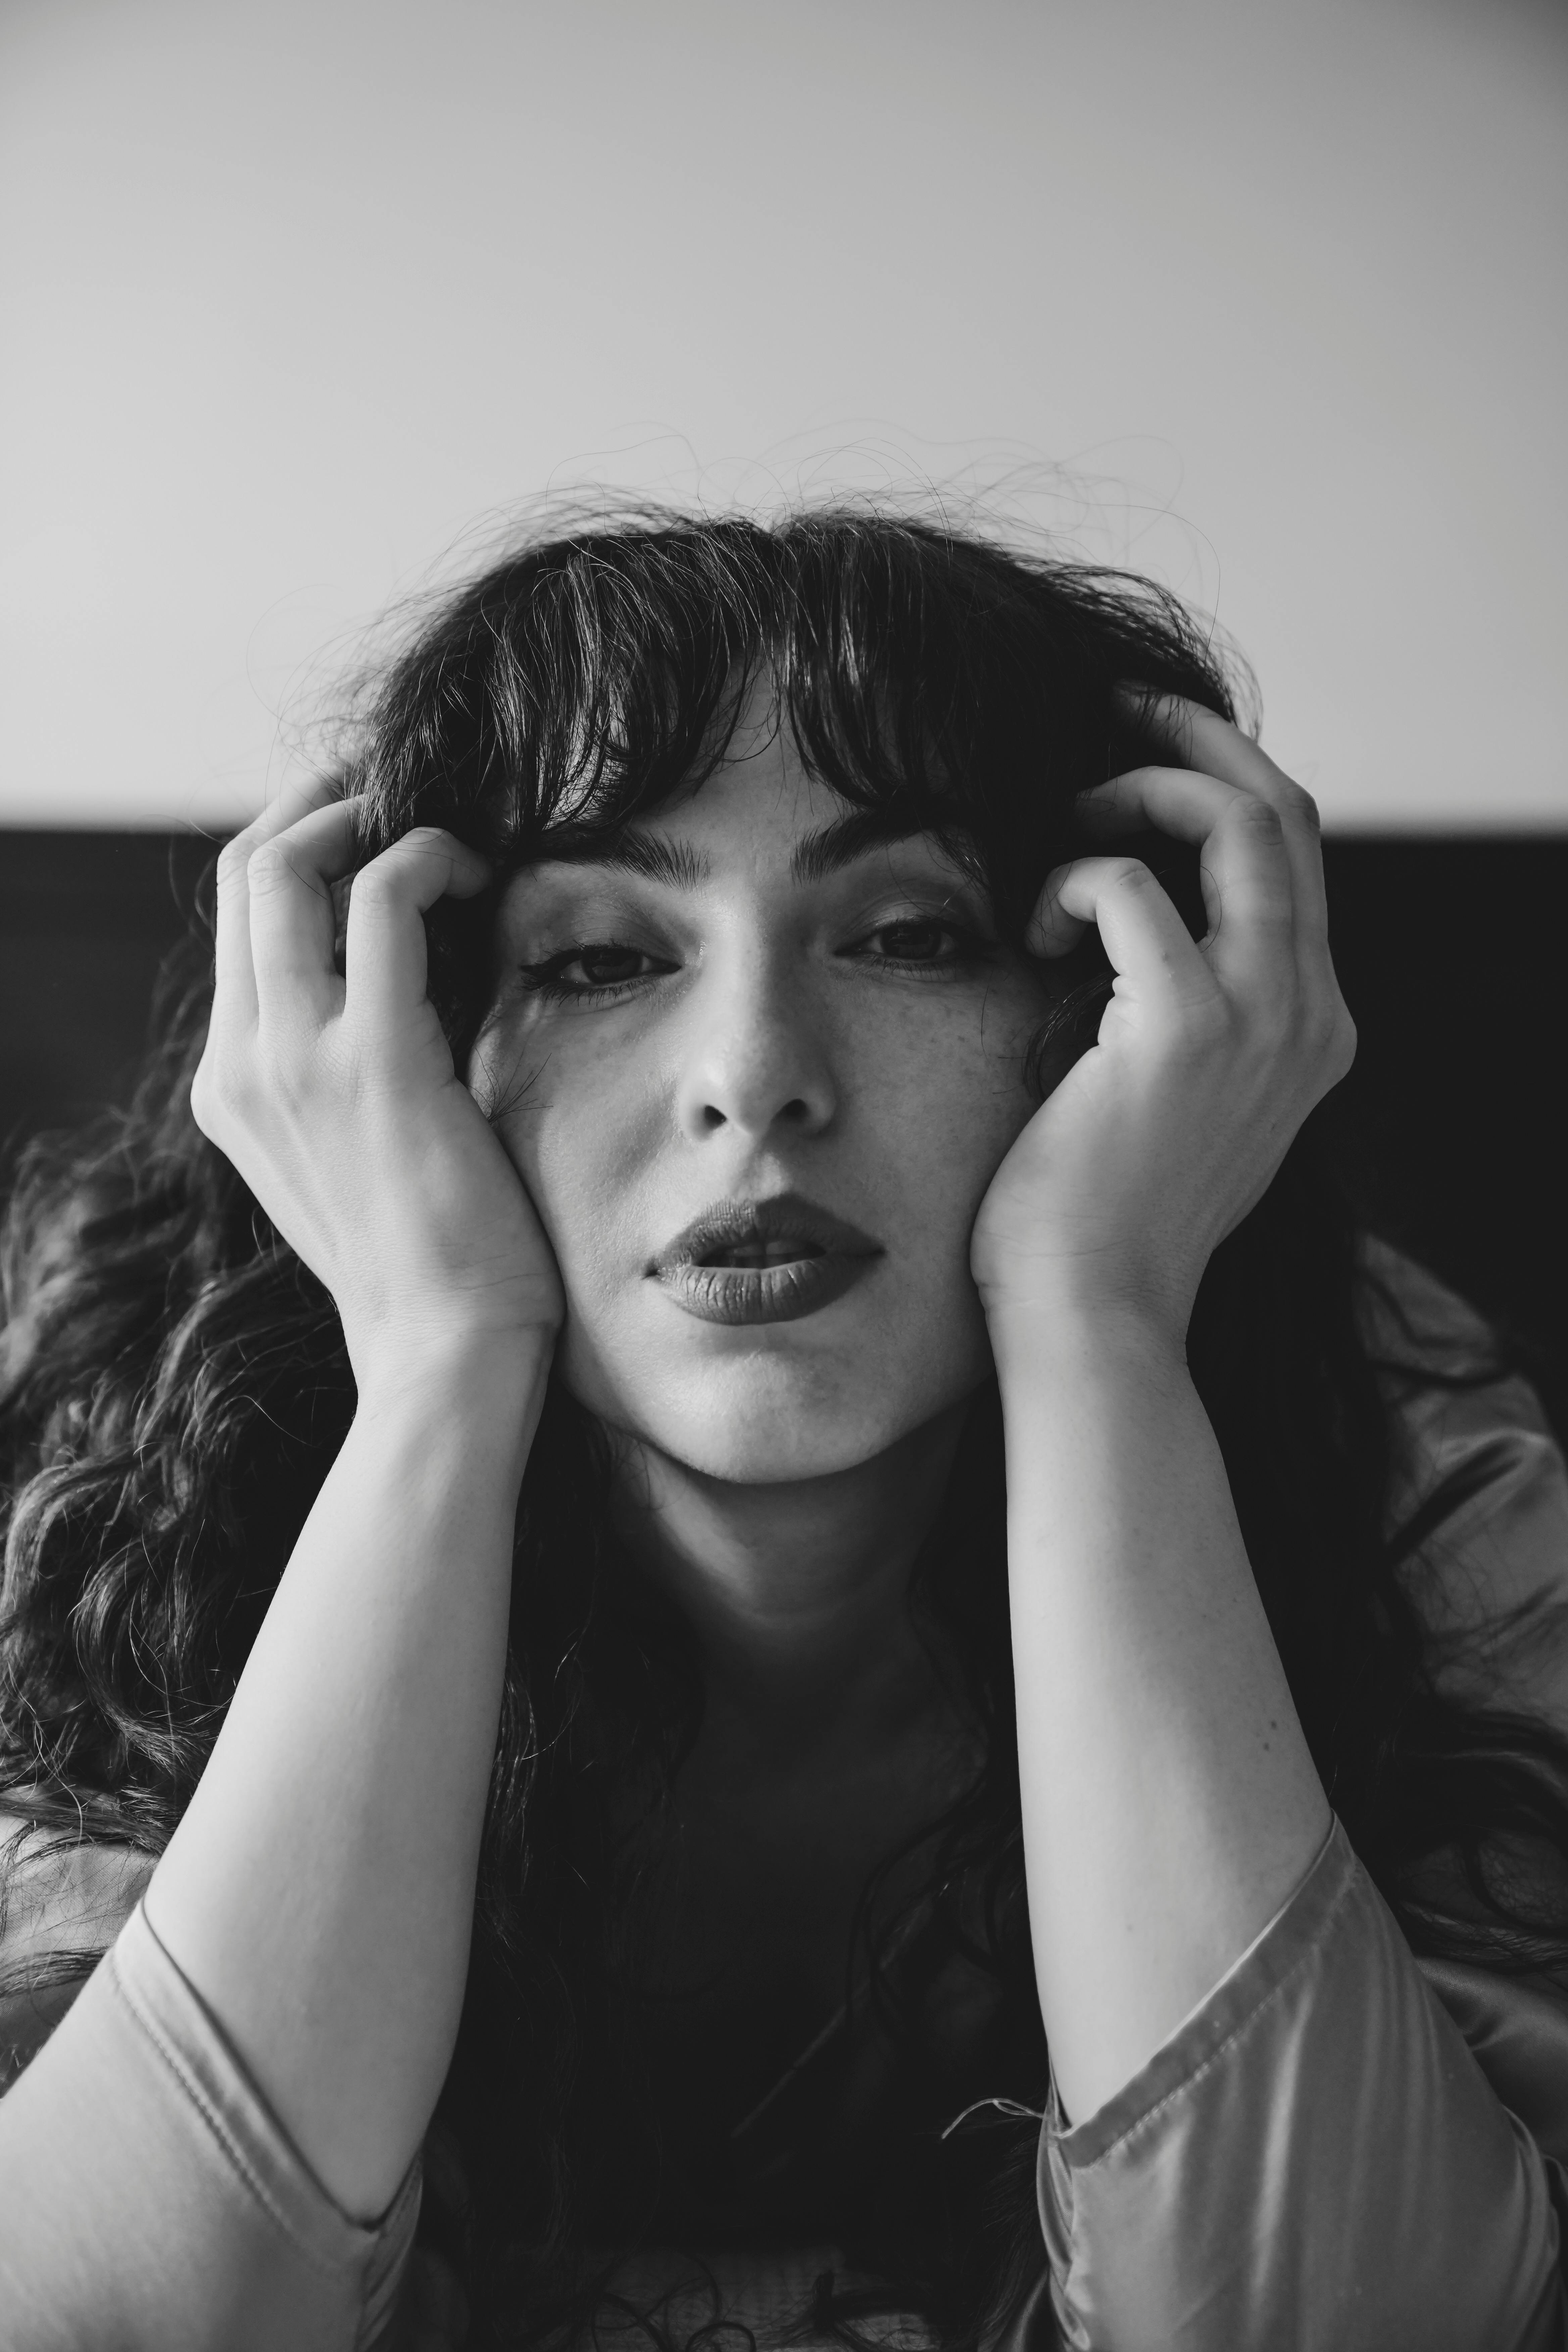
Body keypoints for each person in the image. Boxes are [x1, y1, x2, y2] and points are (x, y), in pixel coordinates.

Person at [1, 507, 1567, 2352]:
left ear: (1109, 1018)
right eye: (595, 957)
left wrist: (1098, 1328)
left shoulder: (1392, 1442)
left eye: (909, 932)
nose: (754, 1077)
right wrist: (437, 1368)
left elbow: (1359, 2319)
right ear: (401, 1045)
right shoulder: (127, 1463)